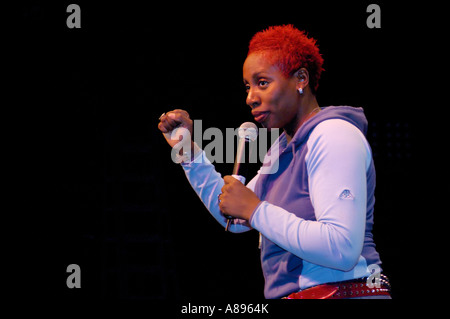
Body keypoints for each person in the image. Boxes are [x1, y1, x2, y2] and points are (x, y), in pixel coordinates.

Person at [157, 25, 391, 299]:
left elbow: (341, 247)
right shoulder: (281, 150)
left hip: (344, 293)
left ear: (300, 79)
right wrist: (188, 153)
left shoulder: (333, 135)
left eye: (262, 83)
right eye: (247, 86)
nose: (250, 97)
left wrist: (256, 210)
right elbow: (233, 215)